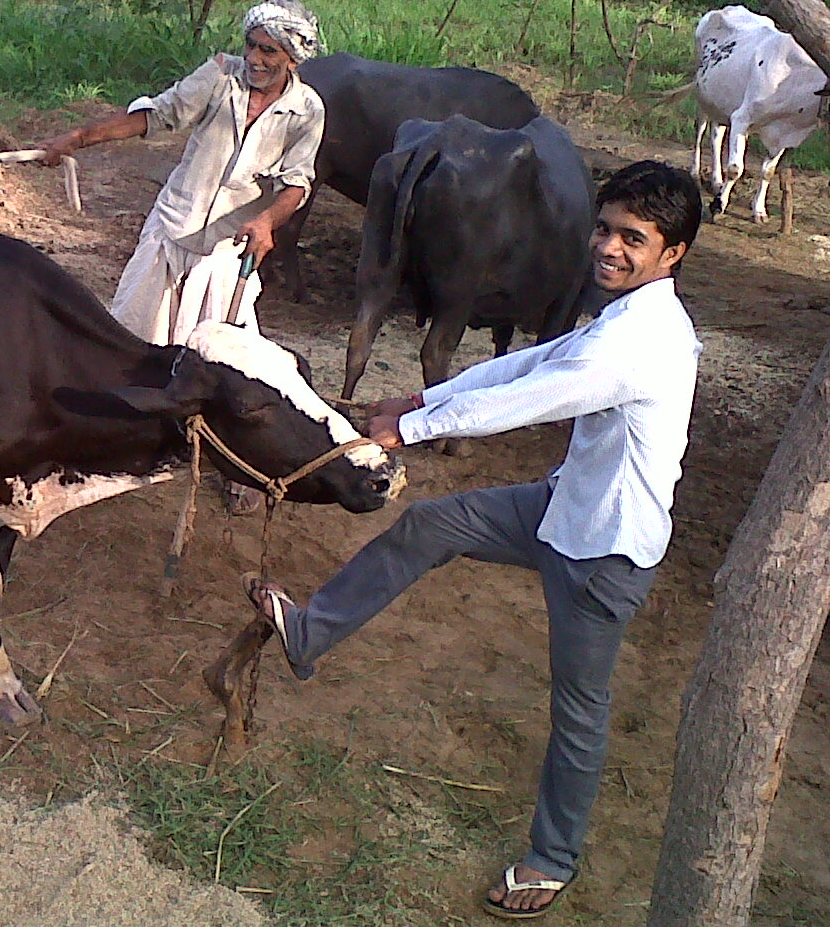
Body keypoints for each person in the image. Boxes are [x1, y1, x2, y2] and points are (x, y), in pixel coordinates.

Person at [240, 160, 704, 920]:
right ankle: (309, 634)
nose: (608, 248)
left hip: (604, 552)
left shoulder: (642, 341)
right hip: (564, 508)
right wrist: (427, 393)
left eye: (633, 238)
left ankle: (553, 861)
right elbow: (534, 360)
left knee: (579, 714)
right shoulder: (625, 314)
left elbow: (533, 399)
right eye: (605, 229)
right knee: (430, 524)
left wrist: (412, 428)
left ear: (672, 253)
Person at [37, 0, 325, 346]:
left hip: (225, 252)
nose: (253, 59)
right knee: (130, 343)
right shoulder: (220, 75)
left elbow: (297, 182)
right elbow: (159, 114)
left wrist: (265, 223)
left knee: (211, 360)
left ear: (292, 60)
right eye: (250, 45)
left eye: (268, 51)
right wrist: (80, 137)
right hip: (171, 230)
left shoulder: (307, 110)